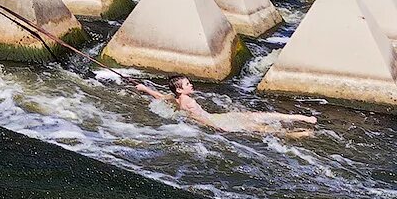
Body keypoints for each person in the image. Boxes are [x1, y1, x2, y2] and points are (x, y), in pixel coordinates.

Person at [134, 75, 317, 135]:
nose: (191, 85)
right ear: (181, 91)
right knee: (258, 126)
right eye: (187, 84)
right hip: (218, 122)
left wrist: (144, 88)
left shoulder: (177, 98)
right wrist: (219, 128)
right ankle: (296, 133)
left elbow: (160, 96)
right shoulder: (186, 101)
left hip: (218, 118)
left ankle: (300, 119)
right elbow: (199, 119)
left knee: (255, 116)